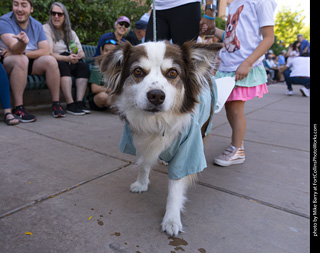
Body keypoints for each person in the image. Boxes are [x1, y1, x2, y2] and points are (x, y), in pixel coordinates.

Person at [207, 0, 277, 166]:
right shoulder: (234, 4)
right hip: (228, 65)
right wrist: (214, 30)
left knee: (236, 109)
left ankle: (237, 149)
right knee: (229, 107)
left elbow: (269, 38)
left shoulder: (261, 2)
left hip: (242, 65)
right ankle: (237, 143)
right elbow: (232, 36)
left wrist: (248, 63)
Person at [0, 0, 65, 122]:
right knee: (21, 59)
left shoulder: (37, 25)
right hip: (8, 63)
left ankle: (56, 104)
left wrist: (24, 51)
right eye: (16, 4)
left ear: (31, 9)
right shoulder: (4, 21)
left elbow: (45, 50)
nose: (19, 9)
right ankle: (18, 108)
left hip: (28, 59)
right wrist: (21, 46)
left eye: (24, 5)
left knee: (50, 60)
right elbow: (14, 47)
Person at [43, 2, 90, 116]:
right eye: (53, 13)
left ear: (65, 16)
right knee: (62, 65)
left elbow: (82, 52)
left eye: (59, 14)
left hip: (70, 59)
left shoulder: (70, 33)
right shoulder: (46, 29)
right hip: (56, 61)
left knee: (83, 67)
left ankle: (79, 102)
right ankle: (70, 103)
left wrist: (77, 56)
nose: (56, 16)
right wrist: (66, 58)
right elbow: (48, 53)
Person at [145, 0, 216, 45]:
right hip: (158, 7)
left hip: (186, 4)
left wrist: (209, 10)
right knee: (148, 56)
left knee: (185, 59)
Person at [87, 39, 118, 111]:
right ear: (102, 51)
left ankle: (113, 106)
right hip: (97, 99)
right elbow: (94, 89)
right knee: (103, 96)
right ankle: (113, 106)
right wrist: (111, 90)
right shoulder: (97, 67)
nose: (108, 54)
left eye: (111, 51)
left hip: (112, 96)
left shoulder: (118, 68)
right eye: (106, 51)